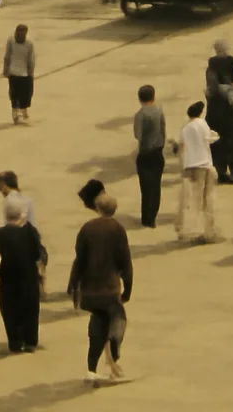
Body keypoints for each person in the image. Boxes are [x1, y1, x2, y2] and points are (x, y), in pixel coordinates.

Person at [67, 193, 133, 386]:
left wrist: (73, 284)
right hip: (110, 288)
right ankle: (114, 351)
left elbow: (79, 259)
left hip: (90, 289)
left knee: (97, 325)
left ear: (97, 208)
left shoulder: (87, 229)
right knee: (118, 318)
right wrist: (127, 289)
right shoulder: (118, 230)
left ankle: (92, 370)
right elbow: (125, 262)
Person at [0, 194, 42, 354]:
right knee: (30, 310)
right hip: (29, 278)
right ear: (22, 214)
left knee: (10, 310)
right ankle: (30, 341)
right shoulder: (30, 231)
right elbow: (37, 254)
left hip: (7, 280)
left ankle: (15, 341)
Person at [177, 100, 220, 244]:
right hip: (206, 164)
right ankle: (208, 231)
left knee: (192, 200)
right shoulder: (203, 124)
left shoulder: (186, 128)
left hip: (191, 166)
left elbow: (181, 146)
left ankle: (190, 231)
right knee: (208, 198)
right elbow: (210, 138)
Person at [205, 40, 233, 184]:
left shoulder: (213, 91)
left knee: (218, 142)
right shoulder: (231, 61)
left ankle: (221, 171)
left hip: (216, 116)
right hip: (231, 117)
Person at [133, 84, 166, 229]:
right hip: (158, 152)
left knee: (145, 187)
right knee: (156, 185)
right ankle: (152, 215)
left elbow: (137, 135)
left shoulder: (140, 115)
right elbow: (163, 130)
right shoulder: (159, 111)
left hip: (145, 153)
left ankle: (146, 217)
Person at [2, 24, 35, 125]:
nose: (20, 35)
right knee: (14, 94)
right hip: (13, 72)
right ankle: (16, 115)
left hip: (24, 73)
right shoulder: (11, 40)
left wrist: (30, 72)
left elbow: (31, 59)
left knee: (26, 94)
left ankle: (24, 112)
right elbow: (7, 55)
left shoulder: (29, 43)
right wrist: (6, 69)